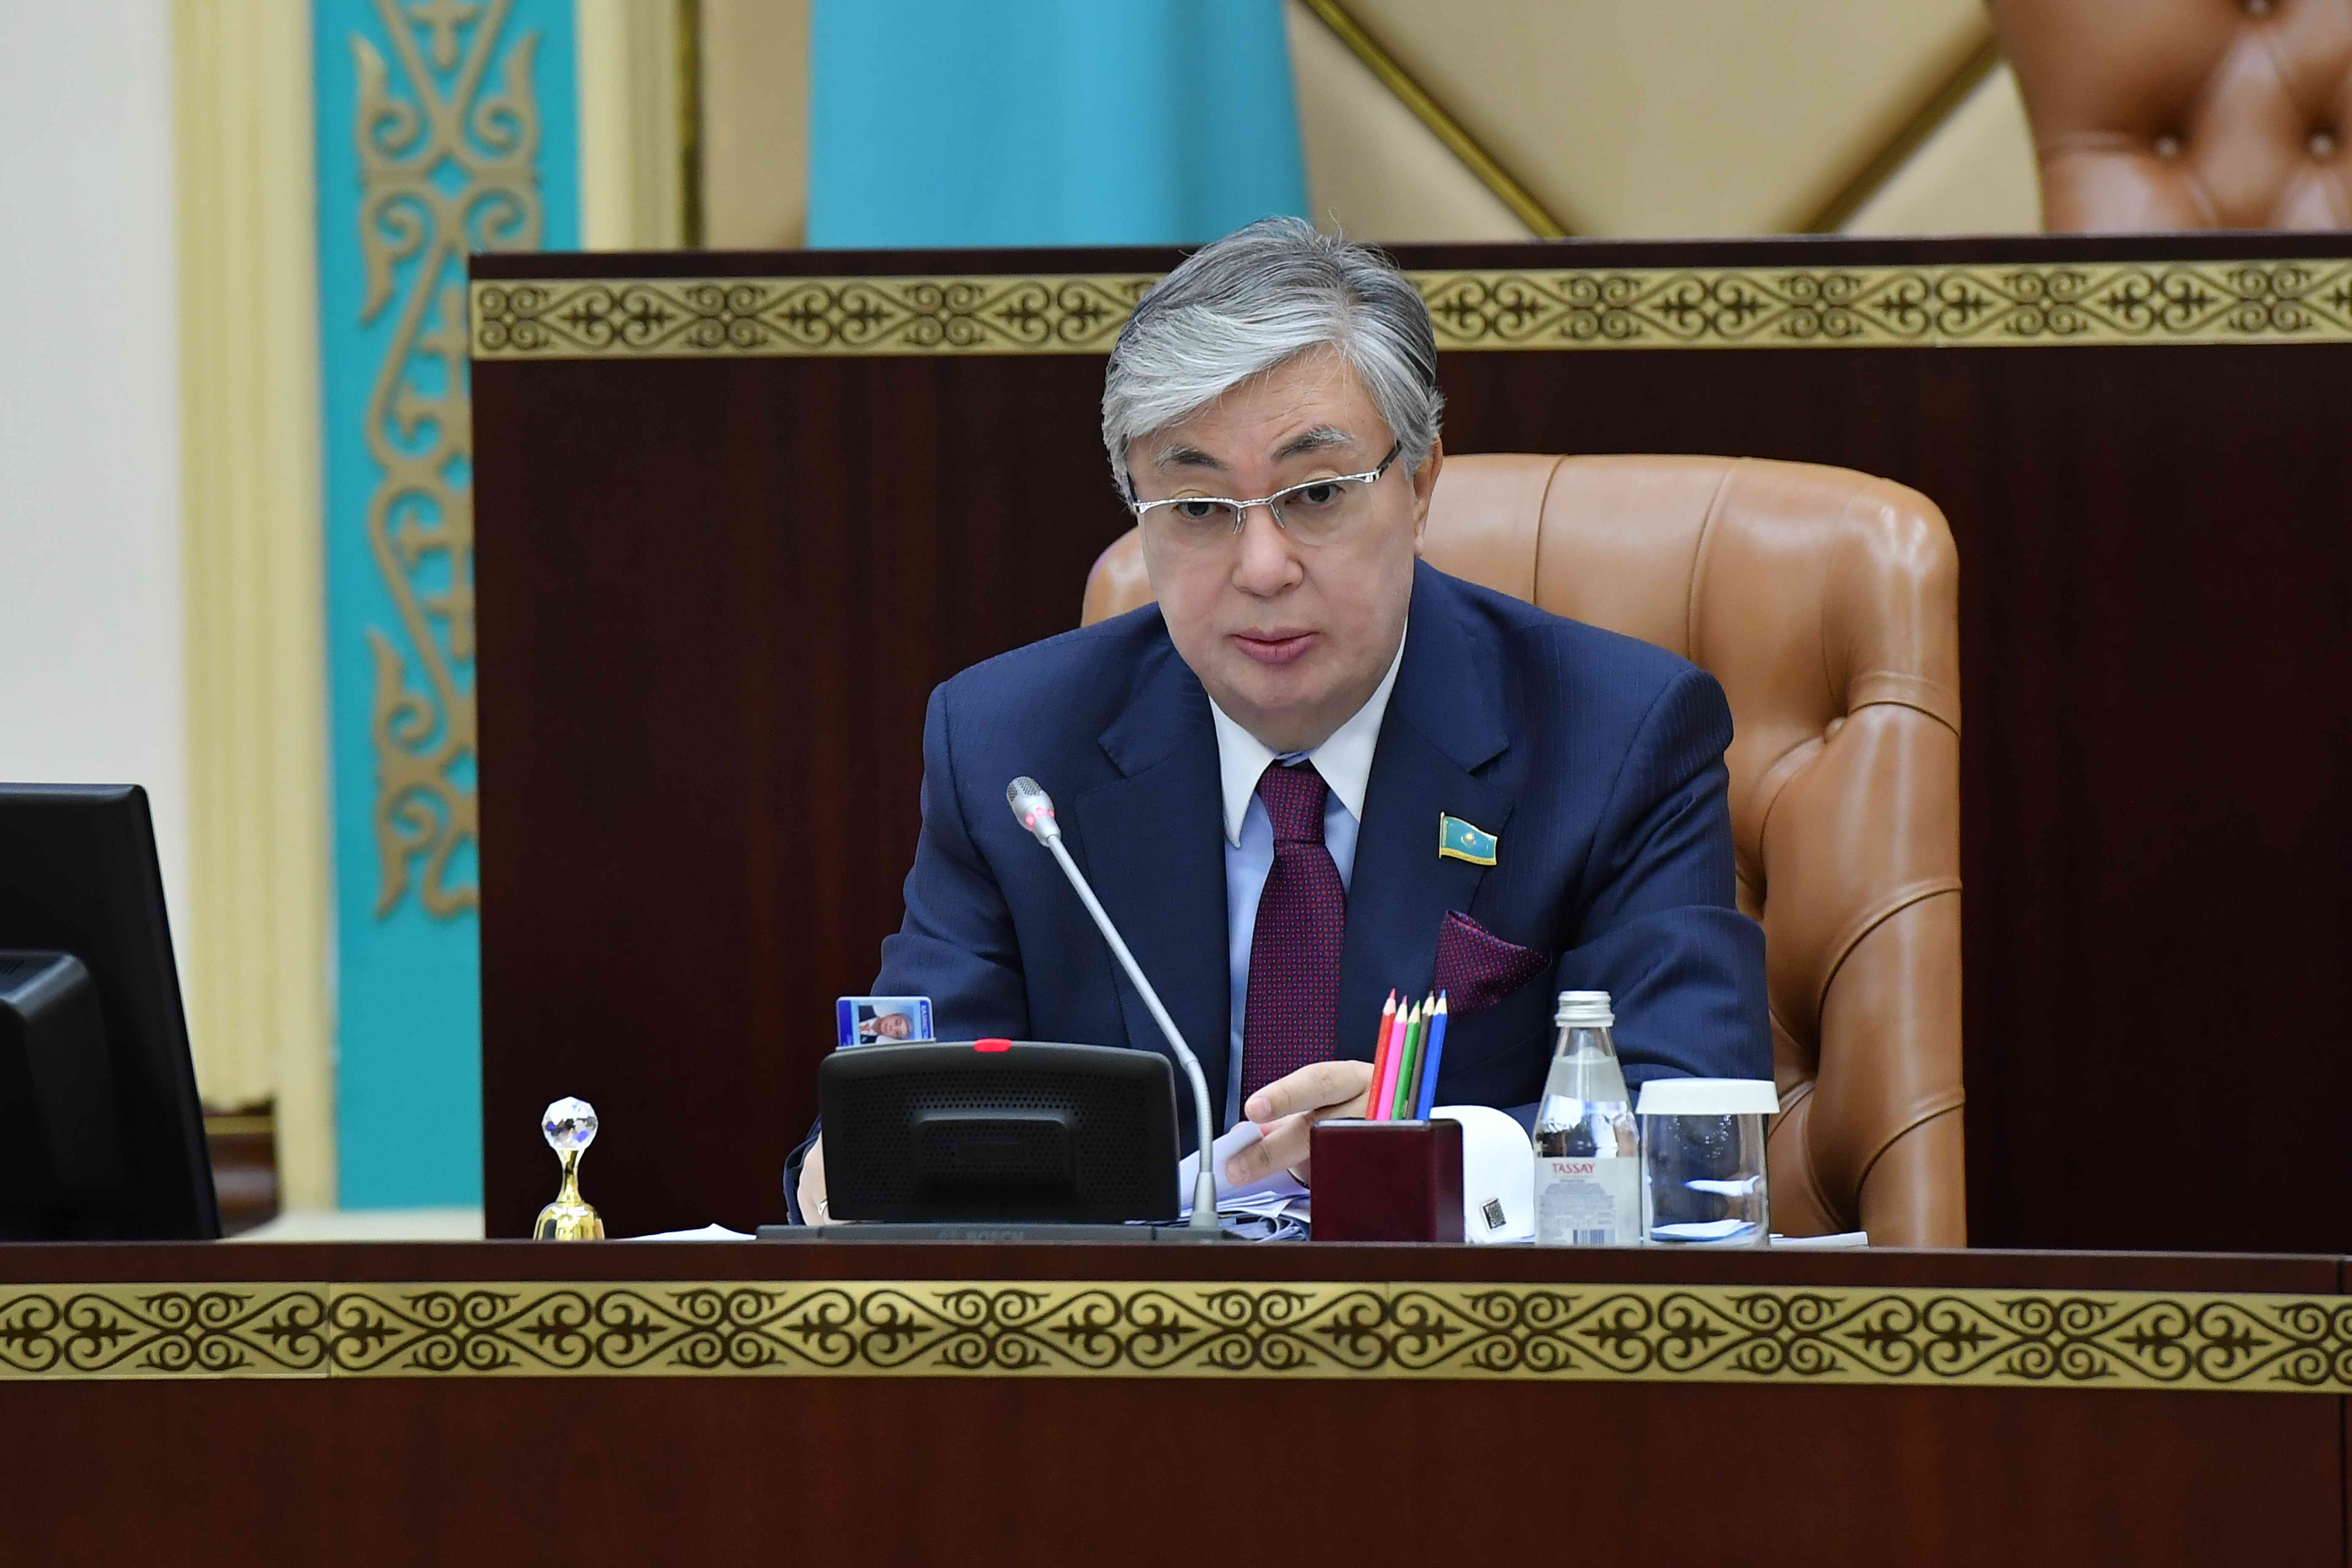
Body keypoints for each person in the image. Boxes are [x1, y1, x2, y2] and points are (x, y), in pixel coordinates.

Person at [787, 217, 1768, 1222]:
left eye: (1317, 493)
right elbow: (902, 1116)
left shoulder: (1615, 736)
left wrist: (1429, 1152)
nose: (1262, 568)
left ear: (1420, 484)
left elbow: (1690, 1128)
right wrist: (855, 1166)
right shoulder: (1011, 751)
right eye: (1198, 507)